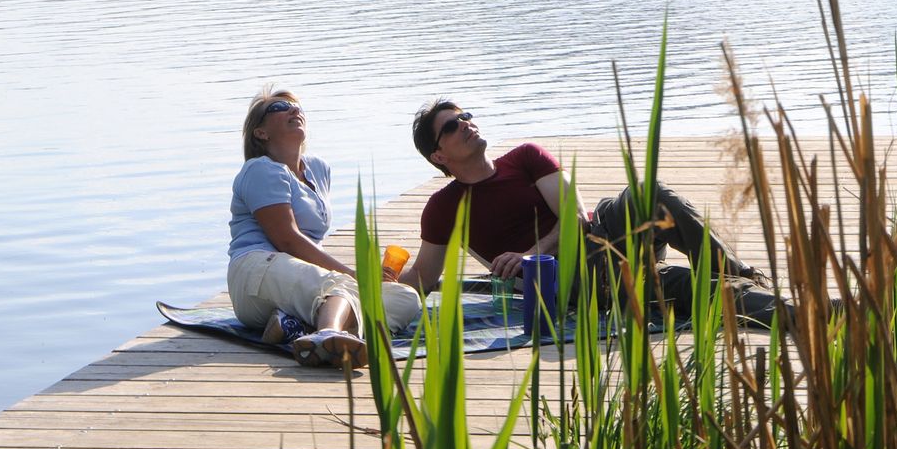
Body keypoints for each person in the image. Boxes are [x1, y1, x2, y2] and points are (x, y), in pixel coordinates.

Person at [399, 98, 784, 327]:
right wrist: (371, 277)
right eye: (453, 124)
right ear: (439, 155)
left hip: (599, 235)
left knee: (647, 194)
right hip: (569, 281)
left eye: (466, 115)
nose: (467, 123)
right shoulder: (444, 207)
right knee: (678, 285)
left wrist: (530, 252)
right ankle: (795, 313)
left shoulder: (525, 158)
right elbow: (424, 278)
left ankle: (736, 271)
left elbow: (576, 219)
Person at [227, 86, 422, 369]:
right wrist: (356, 275)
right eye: (279, 108)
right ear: (261, 132)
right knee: (341, 283)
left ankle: (292, 326)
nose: (294, 110)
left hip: (292, 284)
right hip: (254, 274)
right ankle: (327, 334)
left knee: (405, 298)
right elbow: (288, 241)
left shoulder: (318, 169)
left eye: (296, 106)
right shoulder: (261, 169)